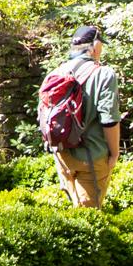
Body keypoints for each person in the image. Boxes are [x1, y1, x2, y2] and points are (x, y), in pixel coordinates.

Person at [50, 25, 122, 209]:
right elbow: (109, 120)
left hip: (62, 155)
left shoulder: (56, 73)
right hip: (92, 156)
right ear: (95, 46)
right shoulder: (104, 74)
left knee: (72, 211)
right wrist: (114, 153)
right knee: (88, 218)